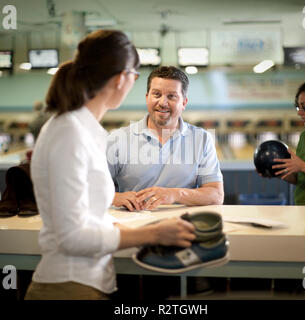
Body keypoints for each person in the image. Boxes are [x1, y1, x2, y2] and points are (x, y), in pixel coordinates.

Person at [24, 30, 196, 300]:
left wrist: (150, 231)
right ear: (121, 78)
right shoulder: (68, 132)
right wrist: (153, 234)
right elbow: (71, 238)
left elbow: (93, 217)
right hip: (66, 287)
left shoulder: (87, 129)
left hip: (90, 284)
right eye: (135, 76)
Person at [107, 66, 224, 211]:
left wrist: (175, 194)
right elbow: (90, 188)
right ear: (147, 97)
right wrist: (115, 197)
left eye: (171, 96)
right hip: (133, 226)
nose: (163, 102)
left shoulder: (202, 139)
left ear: (184, 103)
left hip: (184, 226)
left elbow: (216, 195)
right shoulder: (118, 139)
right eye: (156, 94)